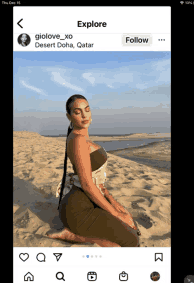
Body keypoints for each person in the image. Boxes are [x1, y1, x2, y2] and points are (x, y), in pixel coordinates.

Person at [46, 94, 141, 247]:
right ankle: (72, 235)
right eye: (77, 112)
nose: (84, 115)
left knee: (133, 226)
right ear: (69, 117)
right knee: (131, 241)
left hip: (90, 200)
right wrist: (116, 214)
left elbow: (97, 181)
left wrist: (114, 203)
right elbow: (87, 184)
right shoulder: (78, 140)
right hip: (78, 210)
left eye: (87, 110)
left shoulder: (82, 137)